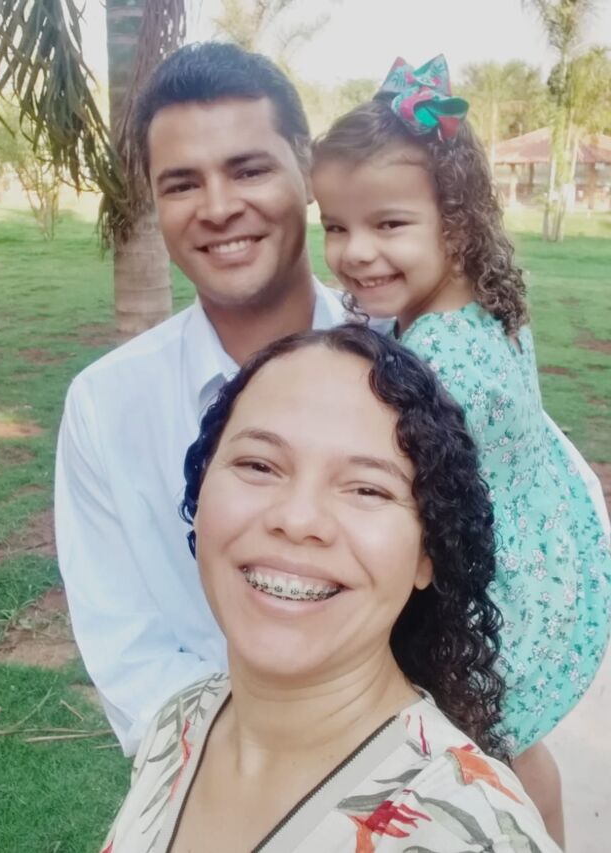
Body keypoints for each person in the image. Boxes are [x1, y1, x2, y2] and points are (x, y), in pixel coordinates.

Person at [100, 325, 561, 853]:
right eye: (258, 465)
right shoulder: (178, 726)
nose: (297, 519)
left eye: (367, 488)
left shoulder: (472, 832)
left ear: (427, 553)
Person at [310, 55, 611, 846]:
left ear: (457, 223)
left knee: (484, 765)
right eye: (336, 226)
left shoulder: (436, 367)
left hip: (485, 593)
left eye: (388, 225)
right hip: (533, 543)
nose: (355, 251)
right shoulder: (482, 302)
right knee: (518, 750)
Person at [54, 42, 346, 757]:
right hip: (207, 766)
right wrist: (247, 769)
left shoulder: (411, 361)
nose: (218, 208)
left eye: (248, 170)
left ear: (306, 168)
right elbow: (126, 644)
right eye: (182, 184)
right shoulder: (107, 407)